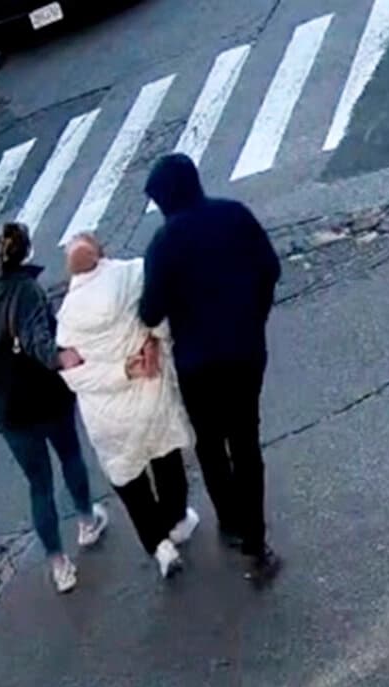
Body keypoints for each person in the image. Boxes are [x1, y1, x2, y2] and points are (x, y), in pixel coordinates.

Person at [141, 153, 282, 583]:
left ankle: (230, 518)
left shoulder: (164, 244)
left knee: (209, 443)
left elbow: (150, 312)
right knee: (246, 441)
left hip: (198, 363)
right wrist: (254, 317)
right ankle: (257, 540)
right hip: (245, 351)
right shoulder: (235, 216)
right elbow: (270, 270)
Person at [0, 222, 108, 594]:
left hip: (9, 408)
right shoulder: (27, 291)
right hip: (46, 398)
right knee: (70, 455)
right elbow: (37, 339)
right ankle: (86, 520)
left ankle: (58, 563)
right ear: (27, 252)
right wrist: (62, 358)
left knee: (39, 486)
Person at [55, 234, 200, 579]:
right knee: (165, 458)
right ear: (101, 254)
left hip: (108, 418)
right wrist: (155, 341)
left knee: (129, 480)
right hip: (150, 394)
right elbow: (160, 312)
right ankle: (177, 521)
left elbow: (76, 378)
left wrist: (120, 371)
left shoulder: (68, 319)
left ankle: (160, 547)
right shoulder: (134, 274)